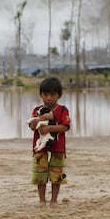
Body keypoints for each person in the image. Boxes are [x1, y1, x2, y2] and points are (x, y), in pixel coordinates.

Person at [27, 77, 70, 207]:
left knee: (56, 173)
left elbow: (65, 127)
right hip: (40, 147)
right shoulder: (37, 110)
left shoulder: (62, 110)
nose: (49, 98)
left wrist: (50, 128)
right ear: (41, 95)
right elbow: (32, 127)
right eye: (45, 95)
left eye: (52, 95)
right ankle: (41, 200)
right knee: (40, 172)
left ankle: (54, 200)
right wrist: (39, 119)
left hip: (58, 146)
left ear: (59, 95)